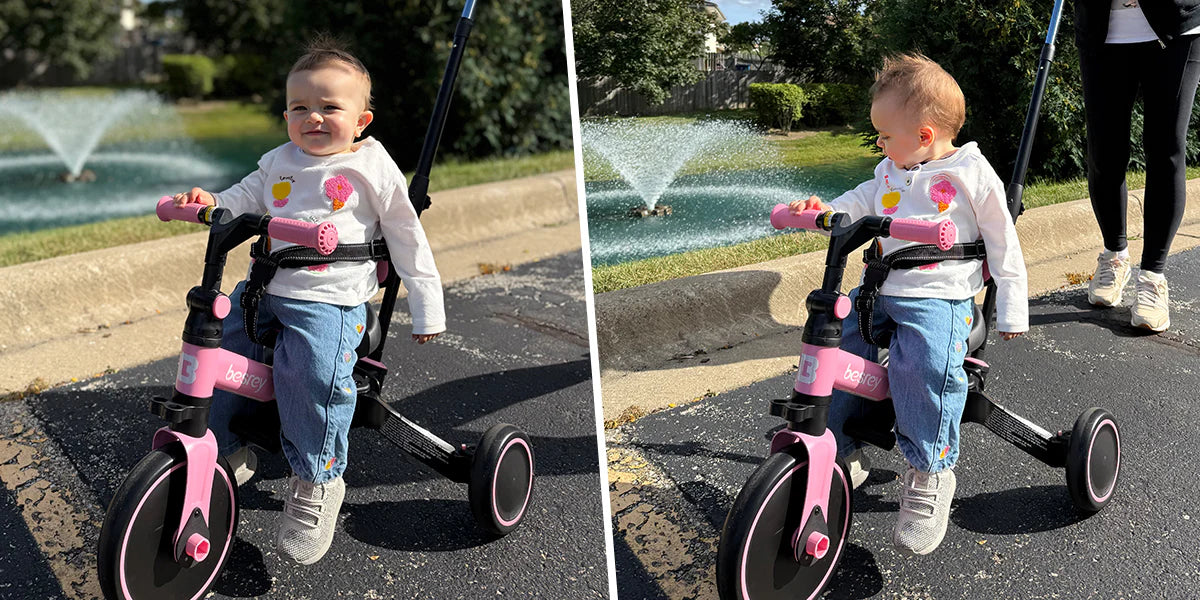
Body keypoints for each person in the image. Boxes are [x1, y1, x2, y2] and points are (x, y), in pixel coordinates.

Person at [171, 37, 445, 565]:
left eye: (329, 107)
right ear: (286, 115)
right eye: (300, 108)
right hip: (262, 291)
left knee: (314, 377)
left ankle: (318, 479)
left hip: (329, 302)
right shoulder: (279, 161)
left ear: (362, 120)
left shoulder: (372, 167)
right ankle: (225, 448)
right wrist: (211, 201)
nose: (313, 117)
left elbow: (408, 237)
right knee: (224, 355)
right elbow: (243, 197)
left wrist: (427, 305)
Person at [788, 53, 1028, 555]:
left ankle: (930, 471)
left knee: (922, 368)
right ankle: (839, 448)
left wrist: (1012, 308)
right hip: (879, 292)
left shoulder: (971, 173)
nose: (878, 144)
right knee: (839, 354)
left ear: (923, 135)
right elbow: (860, 199)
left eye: (884, 135)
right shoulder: (890, 169)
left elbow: (1004, 243)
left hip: (939, 299)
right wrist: (827, 211)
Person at [1076, 0, 1200, 332]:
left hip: (1176, 23)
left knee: (1166, 149)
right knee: (1105, 151)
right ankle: (1114, 255)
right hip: (1104, 28)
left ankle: (1152, 277)